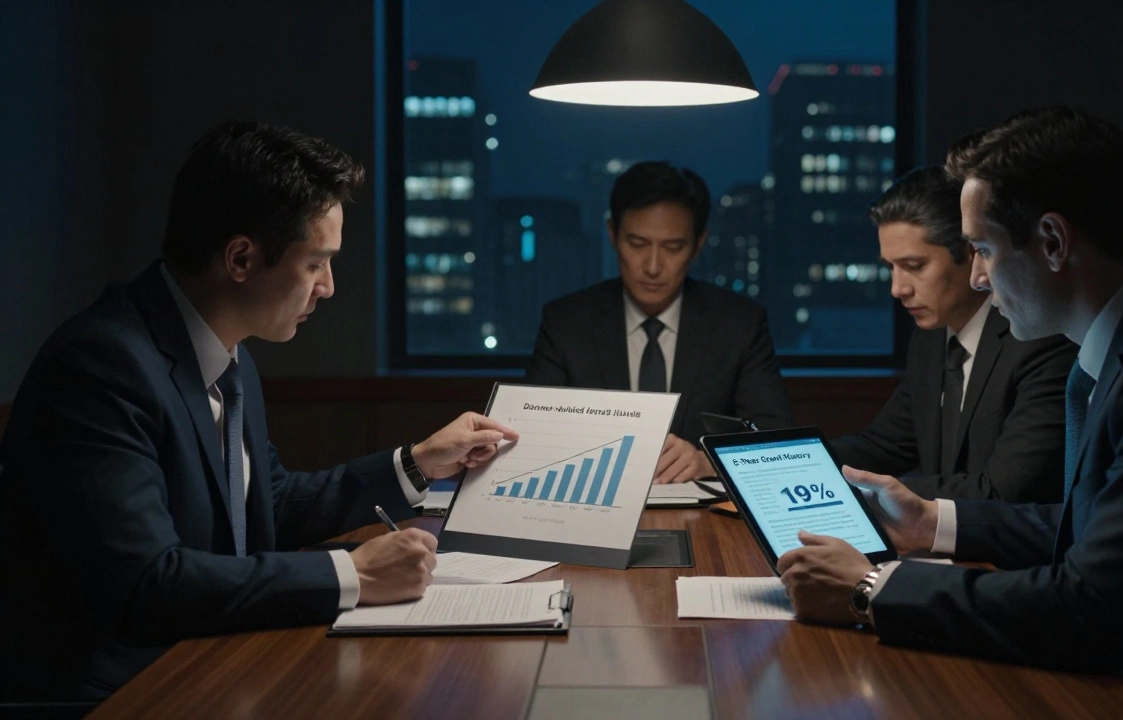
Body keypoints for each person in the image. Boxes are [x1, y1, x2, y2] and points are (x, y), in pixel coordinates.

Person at [777, 107, 1123, 718]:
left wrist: (870, 588)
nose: (978, 278)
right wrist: (931, 521)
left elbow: (1091, 604)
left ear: (1053, 242)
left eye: (983, 249)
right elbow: (1093, 529)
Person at [0, 121, 517, 702]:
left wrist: (418, 462)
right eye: (316, 263)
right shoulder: (101, 366)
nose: (328, 287)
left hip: (206, 663)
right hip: (117, 694)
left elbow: (266, 506)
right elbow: (144, 585)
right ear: (241, 258)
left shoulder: (226, 354)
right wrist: (353, 575)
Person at [524, 161, 792, 484]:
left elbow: (777, 440)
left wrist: (709, 461)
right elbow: (534, 437)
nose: (652, 266)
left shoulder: (739, 324)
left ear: (698, 244)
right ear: (612, 234)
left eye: (673, 247)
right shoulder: (566, 324)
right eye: (637, 244)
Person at [829, 166, 1074, 502]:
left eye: (914, 266)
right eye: (890, 267)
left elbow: (1006, 490)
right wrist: (791, 462)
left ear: (973, 252)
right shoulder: (931, 339)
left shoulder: (1038, 340)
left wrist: (878, 495)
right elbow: (883, 445)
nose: (897, 289)